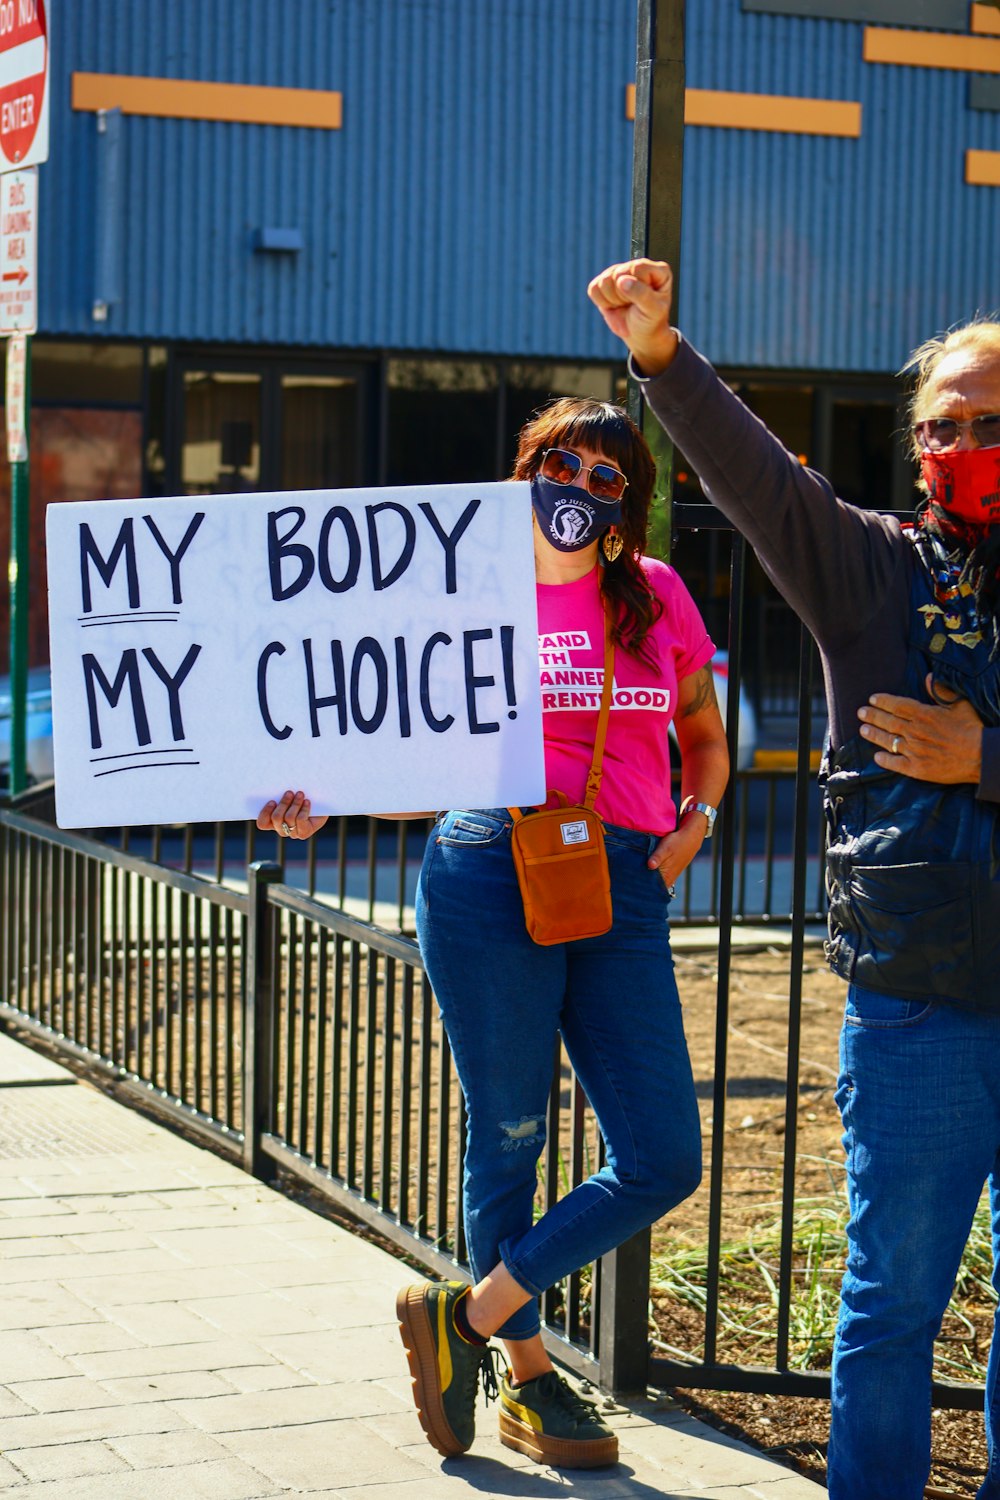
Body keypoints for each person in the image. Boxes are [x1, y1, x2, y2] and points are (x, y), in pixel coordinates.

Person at [588, 257, 1000, 1500]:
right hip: (919, 1003)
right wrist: (662, 357)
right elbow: (757, 476)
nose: (963, 443)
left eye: (990, 423)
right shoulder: (867, 569)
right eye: (943, 424)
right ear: (915, 444)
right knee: (888, 1300)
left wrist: (985, 755)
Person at [258, 395, 729, 1469]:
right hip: (485, 868)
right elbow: (402, 756)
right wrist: (318, 800)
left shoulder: (652, 598)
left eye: (605, 478)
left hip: (620, 883)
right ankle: (528, 1380)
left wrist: (695, 823)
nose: (576, 487)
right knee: (509, 1131)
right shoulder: (459, 590)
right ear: (523, 471)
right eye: (557, 463)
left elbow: (701, 735)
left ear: (627, 508)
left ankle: (463, 1318)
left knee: (661, 1154)